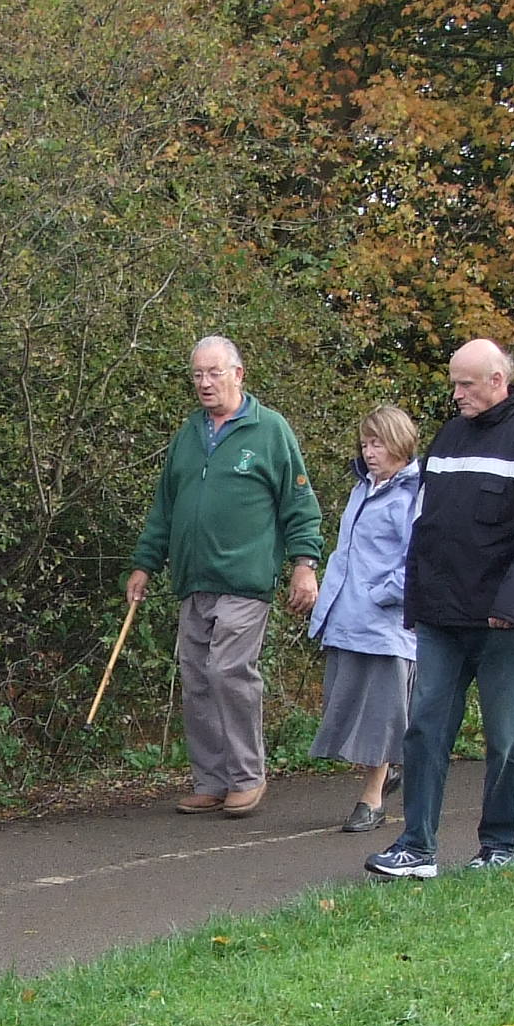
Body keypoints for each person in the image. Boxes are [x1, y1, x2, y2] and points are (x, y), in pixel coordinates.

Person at [364, 340, 514, 878]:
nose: (456, 394)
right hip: (440, 615)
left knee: (505, 735)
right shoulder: (449, 437)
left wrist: (511, 607)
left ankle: (502, 844)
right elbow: (426, 528)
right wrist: (417, 600)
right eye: (454, 383)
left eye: (466, 384)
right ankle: (417, 846)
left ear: (497, 379)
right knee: (425, 730)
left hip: (501, 620)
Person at [124, 336, 324, 818]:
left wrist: (304, 565)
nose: (205, 383)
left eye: (214, 373)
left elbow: (300, 505)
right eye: (197, 375)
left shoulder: (269, 430)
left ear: (239, 373)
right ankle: (210, 780)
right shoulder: (188, 435)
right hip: (194, 579)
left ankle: (247, 776)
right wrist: (144, 564)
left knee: (227, 671)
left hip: (245, 578)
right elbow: (164, 510)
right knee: (196, 677)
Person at [307, 407, 423, 831]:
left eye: (378, 443)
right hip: (347, 619)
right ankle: (386, 771)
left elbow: (418, 559)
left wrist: (382, 595)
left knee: (381, 714)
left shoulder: (414, 493)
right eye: (365, 444)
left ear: (399, 444)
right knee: (347, 705)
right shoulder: (363, 489)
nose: (370, 452)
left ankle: (372, 799)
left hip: (386, 627)